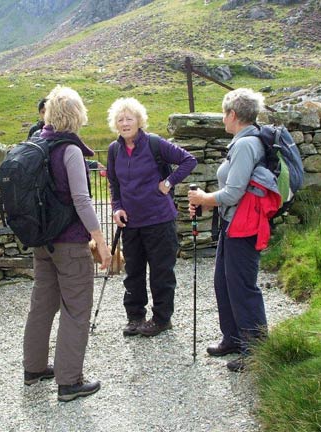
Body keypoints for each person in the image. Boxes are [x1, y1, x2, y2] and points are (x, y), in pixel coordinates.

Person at [22, 85, 112, 402]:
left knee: (41, 305)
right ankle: (69, 381)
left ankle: (33, 369)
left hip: (42, 241)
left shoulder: (36, 144)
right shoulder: (69, 150)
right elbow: (81, 200)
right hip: (70, 243)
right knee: (76, 309)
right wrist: (100, 241)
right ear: (76, 114)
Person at [188, 88, 273, 372]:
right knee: (224, 281)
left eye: (225, 113)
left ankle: (256, 350)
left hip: (243, 225)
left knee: (241, 285)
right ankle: (234, 338)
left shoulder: (246, 144)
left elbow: (234, 191)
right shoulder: (245, 141)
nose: (224, 118)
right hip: (234, 221)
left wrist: (204, 199)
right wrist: (209, 203)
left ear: (233, 115)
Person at [106, 97, 197, 338]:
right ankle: (135, 317)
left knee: (161, 271)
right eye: (120, 119)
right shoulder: (114, 150)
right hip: (131, 223)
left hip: (159, 220)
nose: (125, 123)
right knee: (133, 271)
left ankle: (161, 319)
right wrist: (117, 208)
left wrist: (168, 183)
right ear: (115, 124)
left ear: (139, 121)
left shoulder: (155, 143)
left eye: (129, 118)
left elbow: (189, 160)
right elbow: (114, 184)